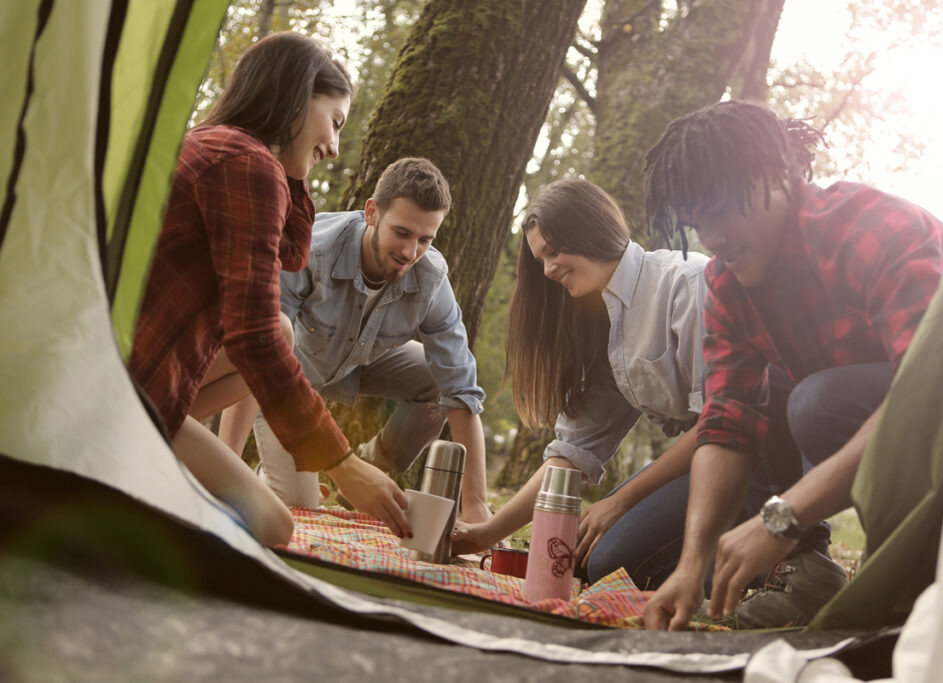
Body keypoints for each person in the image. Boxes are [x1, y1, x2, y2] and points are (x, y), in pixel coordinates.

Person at [641, 100, 943, 630]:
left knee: (818, 402)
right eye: (699, 225)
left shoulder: (871, 229)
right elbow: (725, 426)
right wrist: (692, 564)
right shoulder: (725, 282)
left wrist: (781, 519)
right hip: (897, 426)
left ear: (777, 176)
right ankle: (832, 569)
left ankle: (938, 565)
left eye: (720, 210)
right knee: (796, 396)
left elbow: (930, 389)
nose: (713, 241)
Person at [130, 32, 407, 546]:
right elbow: (251, 333)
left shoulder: (226, 148)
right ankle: (128, 487)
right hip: (132, 388)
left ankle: (145, 460)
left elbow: (288, 257)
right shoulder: (248, 164)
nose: (336, 146)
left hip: (136, 369)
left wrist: (292, 160)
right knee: (273, 526)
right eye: (335, 121)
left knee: (285, 326)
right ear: (297, 96)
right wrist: (342, 463)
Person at [451, 178, 720, 587]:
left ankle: (775, 557)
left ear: (590, 230)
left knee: (608, 560)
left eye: (554, 252)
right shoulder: (604, 328)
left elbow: (721, 422)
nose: (547, 269)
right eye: (540, 259)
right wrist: (488, 533)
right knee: (578, 555)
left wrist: (619, 501)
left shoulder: (685, 283)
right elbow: (572, 453)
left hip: (750, 458)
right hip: (704, 464)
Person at [219, 157, 492, 525]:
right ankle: (270, 478)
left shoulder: (431, 279)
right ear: (372, 213)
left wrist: (475, 504)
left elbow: (462, 390)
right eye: (402, 232)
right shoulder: (311, 252)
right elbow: (257, 348)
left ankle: (367, 469)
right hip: (288, 381)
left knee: (437, 374)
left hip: (359, 367)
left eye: (425, 239)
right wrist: (222, 469)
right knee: (300, 508)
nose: (411, 252)